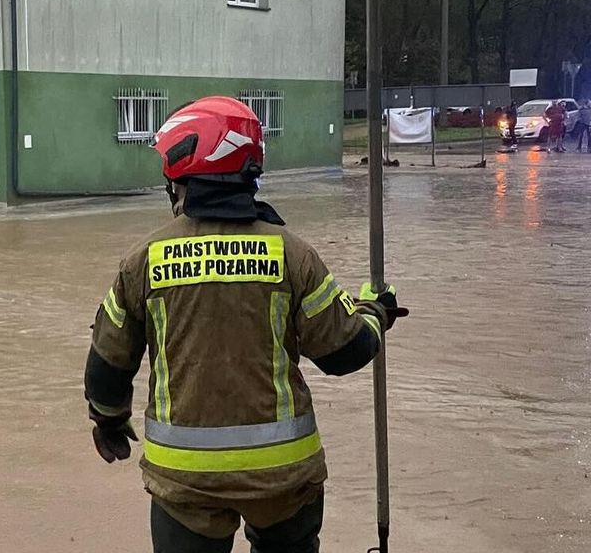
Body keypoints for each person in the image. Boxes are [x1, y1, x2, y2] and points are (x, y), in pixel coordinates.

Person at [83, 96, 408, 553]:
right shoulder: (291, 255)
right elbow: (345, 351)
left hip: (185, 485)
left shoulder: (142, 261)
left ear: (182, 177)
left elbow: (107, 366)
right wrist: (375, 312)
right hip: (284, 480)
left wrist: (110, 422)